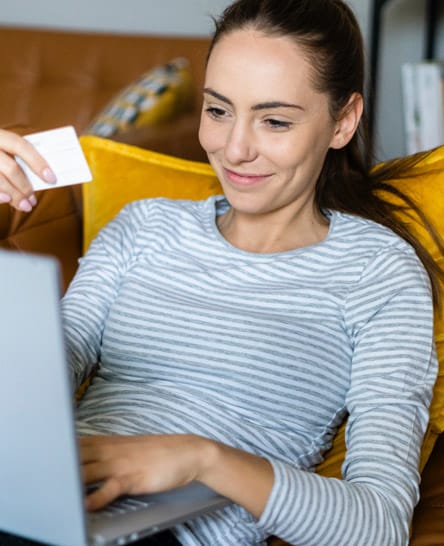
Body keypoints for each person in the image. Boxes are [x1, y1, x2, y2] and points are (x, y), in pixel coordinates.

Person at [0, 0, 442, 545]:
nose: (234, 149)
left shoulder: (379, 272)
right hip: (39, 495)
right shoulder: (144, 226)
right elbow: (38, 375)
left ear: (343, 121)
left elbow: (378, 524)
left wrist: (199, 459)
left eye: (275, 120)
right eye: (218, 110)